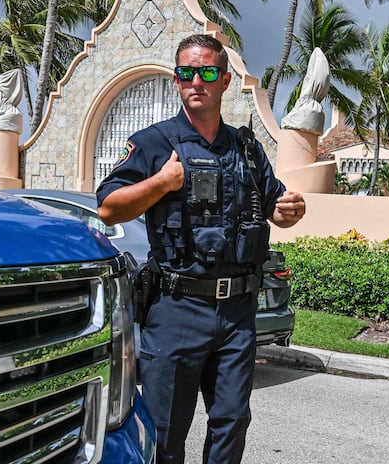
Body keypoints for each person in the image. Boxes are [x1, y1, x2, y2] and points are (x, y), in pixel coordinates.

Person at [97, 34, 305, 463]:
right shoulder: (154, 143)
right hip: (176, 308)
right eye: (187, 73)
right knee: (165, 430)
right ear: (176, 80)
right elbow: (107, 208)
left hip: (237, 313)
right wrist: (161, 183)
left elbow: (275, 207)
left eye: (208, 72)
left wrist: (290, 210)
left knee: (231, 423)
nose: (197, 81)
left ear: (224, 80)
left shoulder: (247, 150)